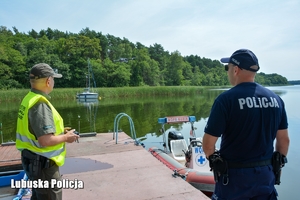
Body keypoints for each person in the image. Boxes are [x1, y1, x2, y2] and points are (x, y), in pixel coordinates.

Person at [202, 49, 290, 200]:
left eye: (227, 67)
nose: (227, 72)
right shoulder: (276, 100)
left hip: (234, 179)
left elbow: (209, 144)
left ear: (235, 70)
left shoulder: (225, 100)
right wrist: (277, 165)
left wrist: (215, 162)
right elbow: (284, 140)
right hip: (265, 175)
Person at [16, 63, 80, 200]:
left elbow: (34, 129)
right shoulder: (40, 103)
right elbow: (45, 140)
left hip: (33, 161)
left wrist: (59, 131)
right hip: (44, 166)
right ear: (48, 81)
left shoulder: (29, 98)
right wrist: (66, 137)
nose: (53, 82)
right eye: (53, 79)